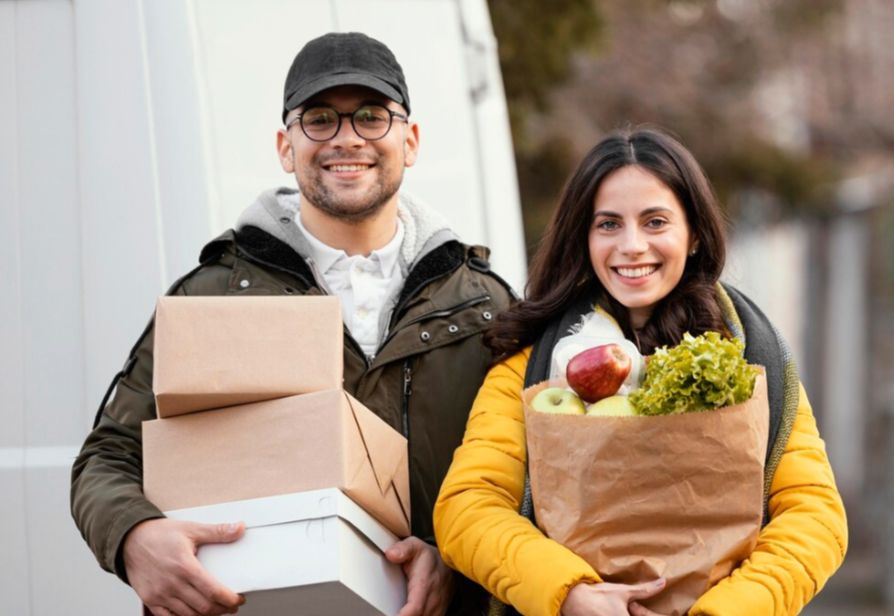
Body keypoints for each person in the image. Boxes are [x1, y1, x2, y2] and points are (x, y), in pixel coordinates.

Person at [70, 32, 514, 616]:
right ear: (286, 147)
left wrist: (455, 562)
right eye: (320, 119)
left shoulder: (485, 306)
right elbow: (107, 458)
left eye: (372, 117)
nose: (347, 138)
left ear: (411, 141)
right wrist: (133, 537)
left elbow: (529, 486)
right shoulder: (213, 295)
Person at [433, 127, 848, 616]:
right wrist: (569, 594)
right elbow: (468, 506)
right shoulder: (534, 363)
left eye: (655, 222)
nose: (631, 245)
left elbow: (815, 515)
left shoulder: (750, 353)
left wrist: (727, 610)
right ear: (582, 238)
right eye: (608, 224)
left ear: (693, 234)